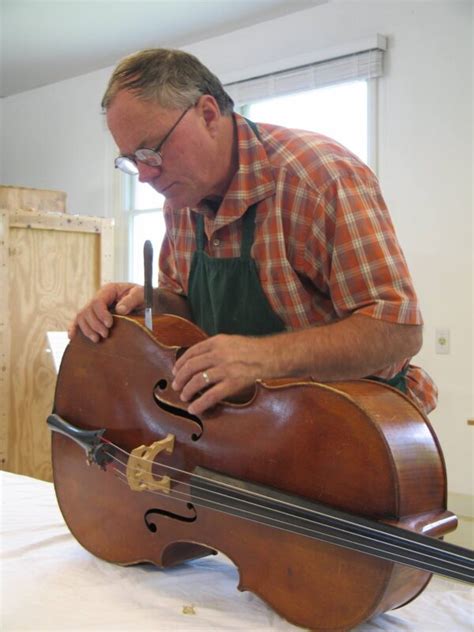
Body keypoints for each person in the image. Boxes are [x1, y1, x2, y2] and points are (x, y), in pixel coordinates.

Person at [70, 48, 437, 417]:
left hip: (355, 428)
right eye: (133, 160)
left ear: (208, 114)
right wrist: (148, 301)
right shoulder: (180, 201)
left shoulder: (317, 179)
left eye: (152, 151)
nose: (146, 175)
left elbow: (397, 331)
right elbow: (190, 308)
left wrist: (263, 357)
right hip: (257, 430)